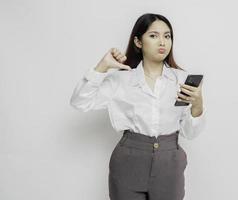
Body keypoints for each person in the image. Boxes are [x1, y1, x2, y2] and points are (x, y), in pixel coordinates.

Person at [70, 13, 206, 200]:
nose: (162, 42)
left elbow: (189, 133)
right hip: (128, 161)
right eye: (153, 35)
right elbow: (79, 102)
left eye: (167, 36)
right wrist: (102, 66)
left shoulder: (181, 80)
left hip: (170, 162)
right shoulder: (120, 79)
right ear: (138, 42)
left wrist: (197, 106)